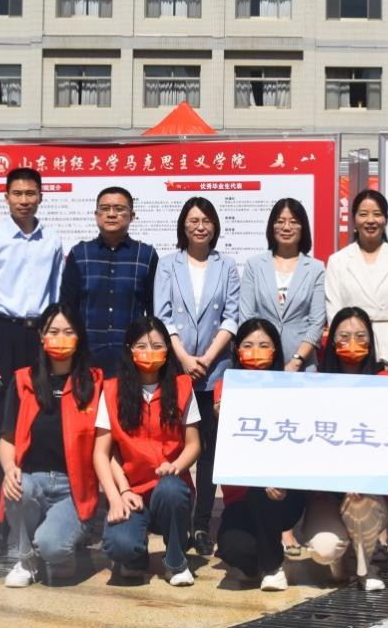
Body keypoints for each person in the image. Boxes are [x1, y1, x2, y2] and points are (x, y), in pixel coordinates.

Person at [0, 167, 65, 555]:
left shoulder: (53, 241)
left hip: (40, 338)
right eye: (17, 193)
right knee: (1, 429)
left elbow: (57, 298)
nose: (24, 200)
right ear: (6, 197)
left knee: (42, 425)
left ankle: (39, 516)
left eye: (31, 193)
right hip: (3, 335)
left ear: (41, 196)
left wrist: (55, 342)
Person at [154, 196, 240, 556]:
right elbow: (162, 316)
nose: (200, 226)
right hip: (176, 369)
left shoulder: (227, 266)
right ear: (183, 225)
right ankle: (177, 520)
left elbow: (232, 317)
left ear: (215, 226)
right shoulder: (167, 265)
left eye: (206, 220)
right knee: (176, 444)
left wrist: (206, 358)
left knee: (208, 451)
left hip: (214, 369)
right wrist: (185, 358)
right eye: (193, 220)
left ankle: (202, 523)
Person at [0, 303, 104, 587]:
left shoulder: (95, 383)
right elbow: (7, 438)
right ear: (41, 336)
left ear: (79, 337)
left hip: (74, 490)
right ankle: (26, 559)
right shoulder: (24, 381)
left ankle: (58, 550)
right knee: (18, 487)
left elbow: (103, 446)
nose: (60, 338)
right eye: (53, 332)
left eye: (68, 332)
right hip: (34, 480)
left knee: (53, 546)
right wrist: (9, 469)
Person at [94, 317, 202, 586]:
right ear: (129, 349)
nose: (150, 352)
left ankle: (175, 560)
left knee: (171, 490)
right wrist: (118, 495)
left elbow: (194, 444)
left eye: (157, 346)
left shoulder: (182, 387)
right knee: (120, 545)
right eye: (142, 346)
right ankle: (134, 555)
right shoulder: (111, 391)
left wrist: (175, 466)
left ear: (167, 349)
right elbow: (102, 453)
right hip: (132, 491)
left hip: (170, 487)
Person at [298, 306, 388, 591]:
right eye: (344, 336)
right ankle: (338, 559)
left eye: (360, 336)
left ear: (371, 341)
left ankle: (368, 566)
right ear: (331, 341)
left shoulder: (387, 383)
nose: (352, 342)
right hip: (326, 491)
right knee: (325, 547)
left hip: (369, 491)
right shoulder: (314, 384)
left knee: (363, 506)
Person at [214, 318, 308, 591]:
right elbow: (223, 415)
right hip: (240, 499)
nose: (256, 351)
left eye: (264, 345)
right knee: (232, 547)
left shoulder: (293, 388)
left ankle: (273, 567)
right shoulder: (226, 386)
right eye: (248, 345)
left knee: (262, 491)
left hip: (283, 494)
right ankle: (258, 562)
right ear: (237, 350)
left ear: (276, 349)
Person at [60, 186, 158, 378]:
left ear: (132, 216)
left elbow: (153, 309)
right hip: (86, 357)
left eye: (119, 209)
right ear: (96, 215)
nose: (111, 214)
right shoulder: (80, 254)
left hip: (132, 357)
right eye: (104, 209)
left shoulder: (146, 255)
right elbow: (67, 308)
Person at [325, 190, 388, 373]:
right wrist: (348, 347)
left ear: (386, 219)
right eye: (364, 214)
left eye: (377, 214)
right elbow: (334, 312)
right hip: (351, 351)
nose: (371, 220)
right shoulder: (338, 261)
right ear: (354, 220)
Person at [240, 198, 325, 371]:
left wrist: (297, 360)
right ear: (272, 226)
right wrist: (259, 354)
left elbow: (317, 322)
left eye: (293, 222)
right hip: (259, 362)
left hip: (302, 364)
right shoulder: (254, 265)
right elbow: (247, 317)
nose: (286, 227)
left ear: (303, 227)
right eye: (280, 221)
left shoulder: (316, 268)